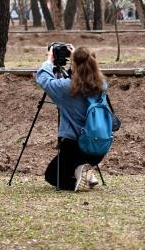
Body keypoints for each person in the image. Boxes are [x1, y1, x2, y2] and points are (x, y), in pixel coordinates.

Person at [35, 45, 108, 192]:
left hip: (77, 146)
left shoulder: (66, 87)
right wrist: (78, 56)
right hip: (99, 147)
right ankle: (84, 170)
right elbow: (89, 71)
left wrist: (49, 60)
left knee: (52, 176)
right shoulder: (101, 85)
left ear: (73, 63)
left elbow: (44, 80)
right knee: (69, 164)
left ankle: (78, 177)